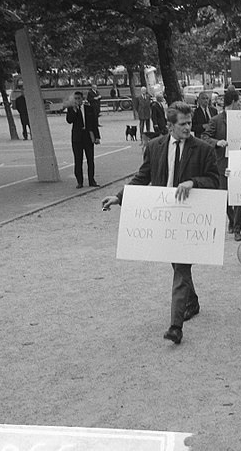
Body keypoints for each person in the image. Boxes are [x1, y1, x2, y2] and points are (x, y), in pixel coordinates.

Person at [101, 102, 219, 345]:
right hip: (164, 217)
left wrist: (193, 182)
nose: (188, 127)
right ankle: (192, 300)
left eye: (189, 123)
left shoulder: (204, 149)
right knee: (178, 265)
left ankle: (176, 326)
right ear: (170, 125)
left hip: (189, 218)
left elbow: (214, 181)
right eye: (183, 124)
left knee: (181, 268)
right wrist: (119, 197)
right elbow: (142, 177)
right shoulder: (155, 147)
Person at [202, 90, 241, 241]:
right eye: (239, 101)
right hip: (222, 162)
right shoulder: (216, 120)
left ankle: (238, 227)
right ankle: (231, 220)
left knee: (239, 194)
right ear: (232, 101)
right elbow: (204, 137)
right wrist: (217, 143)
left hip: (240, 161)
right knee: (225, 194)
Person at [66, 91, 100, 188]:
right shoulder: (71, 109)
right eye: (75, 98)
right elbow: (69, 120)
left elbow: (94, 123)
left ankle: (91, 180)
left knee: (90, 159)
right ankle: (79, 181)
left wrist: (97, 136)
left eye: (79, 98)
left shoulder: (88, 108)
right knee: (78, 160)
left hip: (88, 137)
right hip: (77, 138)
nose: (77, 100)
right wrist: (75, 110)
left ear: (82, 98)